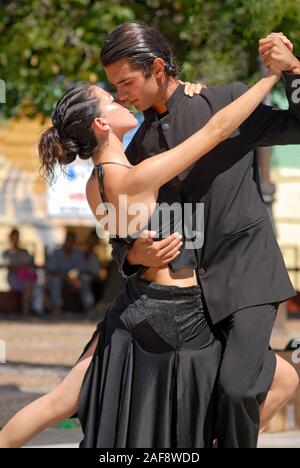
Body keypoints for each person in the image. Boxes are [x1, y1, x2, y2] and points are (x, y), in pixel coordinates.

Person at [0, 62, 286, 448]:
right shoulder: (137, 175)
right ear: (101, 125)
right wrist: (269, 77)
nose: (119, 97)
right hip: (179, 312)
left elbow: (122, 238)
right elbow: (216, 130)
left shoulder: (94, 183)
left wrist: (185, 91)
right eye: (108, 98)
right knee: (282, 380)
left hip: (132, 307)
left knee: (61, 399)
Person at [100, 23, 300, 447]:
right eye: (113, 87)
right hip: (189, 301)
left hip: (249, 278)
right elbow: (121, 230)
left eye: (126, 82)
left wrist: (292, 71)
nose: (121, 95)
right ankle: (286, 368)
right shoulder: (136, 149)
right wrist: (135, 256)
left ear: (156, 67)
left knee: (238, 390)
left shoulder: (224, 100)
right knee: (205, 400)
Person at [46, 232, 95, 314]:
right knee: (56, 281)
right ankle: (56, 307)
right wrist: (68, 279)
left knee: (85, 279)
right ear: (65, 241)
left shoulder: (77, 254)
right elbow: (52, 270)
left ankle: (89, 306)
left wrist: (76, 279)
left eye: (72, 242)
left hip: (74, 280)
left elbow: (83, 270)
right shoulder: (56, 253)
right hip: (60, 279)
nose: (70, 244)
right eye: (68, 241)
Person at [2, 229, 36, 316]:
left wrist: (19, 266)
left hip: (26, 278)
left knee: (34, 285)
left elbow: (30, 265)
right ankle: (26, 311)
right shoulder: (6, 253)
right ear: (10, 238)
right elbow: (9, 266)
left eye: (16, 238)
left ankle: (34, 309)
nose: (15, 240)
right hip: (14, 278)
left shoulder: (24, 252)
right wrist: (21, 266)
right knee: (29, 285)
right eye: (13, 238)